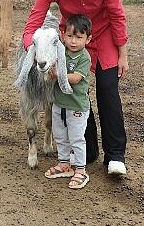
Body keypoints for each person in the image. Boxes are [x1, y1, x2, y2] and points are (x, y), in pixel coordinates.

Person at [22, 0, 129, 176]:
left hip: (103, 38)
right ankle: (87, 150)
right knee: (76, 91)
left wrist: (123, 53)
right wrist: (35, 50)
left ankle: (115, 155)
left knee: (107, 89)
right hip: (73, 41)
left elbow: (117, 14)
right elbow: (33, 24)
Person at [44, 14, 93, 189]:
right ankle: (64, 164)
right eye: (70, 36)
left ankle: (80, 170)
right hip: (59, 104)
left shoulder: (84, 57)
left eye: (79, 37)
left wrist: (57, 74)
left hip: (76, 107)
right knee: (60, 136)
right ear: (63, 35)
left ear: (88, 39)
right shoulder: (61, 52)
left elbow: (75, 79)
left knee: (77, 138)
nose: (73, 41)